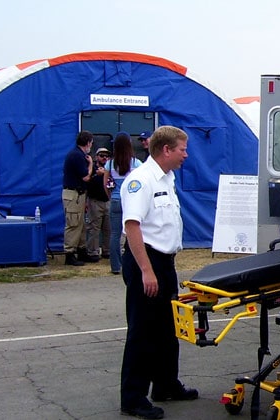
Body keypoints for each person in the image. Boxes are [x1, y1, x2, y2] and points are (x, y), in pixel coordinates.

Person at [119, 125, 195, 419]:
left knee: (167, 327)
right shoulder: (141, 180)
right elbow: (132, 227)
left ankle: (165, 384)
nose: (185, 155)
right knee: (143, 330)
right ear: (166, 150)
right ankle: (133, 397)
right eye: (181, 150)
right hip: (146, 261)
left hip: (164, 261)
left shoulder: (167, 177)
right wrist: (147, 271)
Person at [104, 133, 144, 275]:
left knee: (114, 234)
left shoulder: (110, 164)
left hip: (115, 200)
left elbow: (106, 184)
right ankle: (132, 263)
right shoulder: (136, 163)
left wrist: (111, 196)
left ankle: (115, 266)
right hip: (131, 202)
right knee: (133, 233)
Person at [62, 130, 95, 266]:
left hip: (79, 194)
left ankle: (81, 250)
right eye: (91, 143)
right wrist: (91, 164)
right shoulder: (76, 156)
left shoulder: (79, 154)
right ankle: (69, 253)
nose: (91, 146)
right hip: (73, 194)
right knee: (73, 223)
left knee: (81, 224)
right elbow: (86, 177)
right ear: (87, 143)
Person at [84, 147, 112, 262]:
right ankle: (93, 252)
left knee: (108, 228)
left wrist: (106, 173)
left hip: (108, 201)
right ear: (96, 157)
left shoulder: (111, 168)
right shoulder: (92, 169)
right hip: (95, 201)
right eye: (102, 155)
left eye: (107, 156)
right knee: (93, 228)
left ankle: (107, 250)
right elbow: (86, 182)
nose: (104, 158)